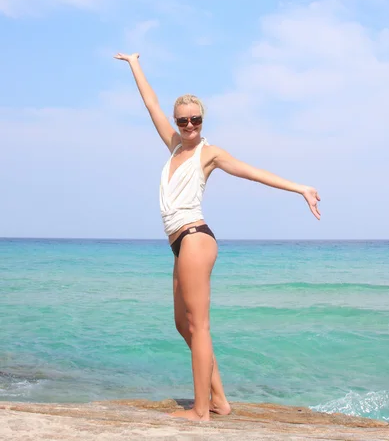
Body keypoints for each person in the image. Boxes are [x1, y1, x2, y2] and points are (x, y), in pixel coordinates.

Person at [114, 52, 321, 422]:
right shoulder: (175, 145)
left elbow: (253, 173)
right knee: (183, 324)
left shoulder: (208, 153)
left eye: (196, 119)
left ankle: (200, 411)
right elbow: (149, 103)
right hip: (179, 243)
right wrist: (134, 64)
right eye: (183, 120)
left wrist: (300, 188)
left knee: (200, 325)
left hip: (195, 237)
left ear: (202, 120)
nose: (190, 124)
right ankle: (220, 401)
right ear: (177, 122)